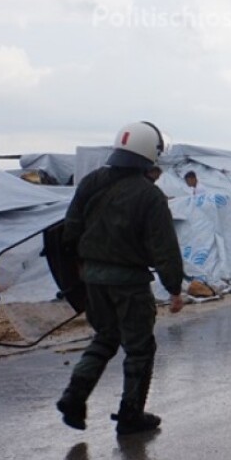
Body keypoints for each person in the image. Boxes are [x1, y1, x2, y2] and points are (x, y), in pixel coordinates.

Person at [55, 121, 185, 435]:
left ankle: (74, 396)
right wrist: (175, 288)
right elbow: (164, 247)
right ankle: (130, 415)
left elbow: (69, 230)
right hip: (129, 284)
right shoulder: (149, 196)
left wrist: (82, 268)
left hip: (94, 280)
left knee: (105, 338)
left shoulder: (91, 182)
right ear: (148, 154)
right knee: (139, 349)